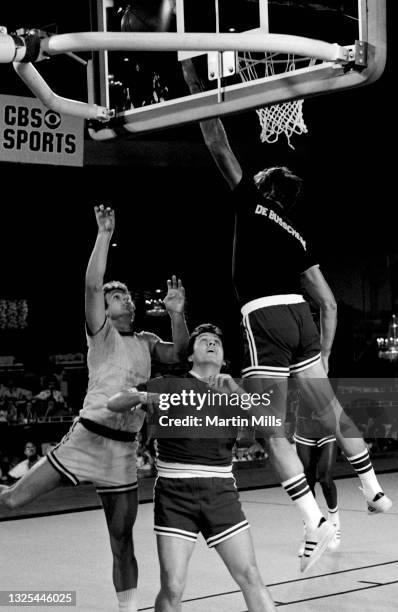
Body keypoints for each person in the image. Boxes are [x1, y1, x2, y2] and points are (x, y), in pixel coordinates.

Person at [181, 59, 392, 573]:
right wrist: (321, 352)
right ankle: (374, 490)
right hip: (302, 320)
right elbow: (331, 302)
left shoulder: (252, 201)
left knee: (270, 430)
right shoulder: (297, 233)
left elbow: (217, 144)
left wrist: (193, 88)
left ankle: (313, 519)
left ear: (264, 183)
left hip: (267, 320)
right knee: (331, 411)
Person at [0, 204, 189, 612]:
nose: (127, 301)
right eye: (117, 296)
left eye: (126, 296)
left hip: (123, 452)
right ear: (105, 307)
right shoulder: (100, 333)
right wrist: (104, 235)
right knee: (12, 501)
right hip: (87, 438)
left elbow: (180, 354)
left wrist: (177, 315)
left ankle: (128, 610)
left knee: (122, 541)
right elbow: (91, 287)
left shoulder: (146, 339)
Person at [108, 323, 276, 612]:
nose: (211, 343)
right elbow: (114, 403)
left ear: (224, 360)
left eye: (216, 342)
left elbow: (272, 426)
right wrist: (144, 397)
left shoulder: (234, 392)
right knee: (172, 587)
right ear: (189, 356)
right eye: (204, 341)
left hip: (221, 491)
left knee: (250, 575)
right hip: (175, 495)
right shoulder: (166, 385)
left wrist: (236, 391)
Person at [293, 400, 341, 556]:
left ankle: (334, 522)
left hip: (327, 430)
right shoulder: (300, 376)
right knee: (307, 483)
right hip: (305, 429)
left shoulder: (326, 381)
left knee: (325, 477)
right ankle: (309, 533)